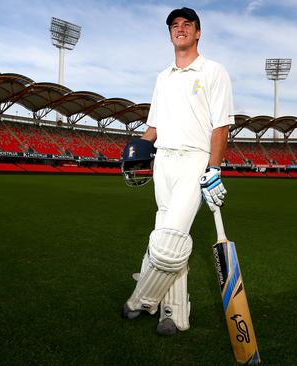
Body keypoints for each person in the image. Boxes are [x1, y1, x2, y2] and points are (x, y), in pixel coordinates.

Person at [122, 7, 235, 336]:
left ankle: (142, 298)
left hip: (194, 161)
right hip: (164, 162)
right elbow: (153, 126)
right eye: (175, 25)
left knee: (170, 242)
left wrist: (214, 167)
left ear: (198, 33)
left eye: (187, 24)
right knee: (169, 234)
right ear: (170, 33)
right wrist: (137, 149)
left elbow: (221, 125)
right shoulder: (163, 77)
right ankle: (174, 312)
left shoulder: (213, 71)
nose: (180, 28)